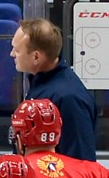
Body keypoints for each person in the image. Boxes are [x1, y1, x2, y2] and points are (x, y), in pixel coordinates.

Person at [10, 17, 98, 162]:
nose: (12, 54)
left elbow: (81, 163)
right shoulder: (41, 82)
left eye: (17, 50)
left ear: (36, 57)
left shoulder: (69, 98)